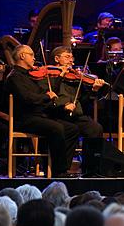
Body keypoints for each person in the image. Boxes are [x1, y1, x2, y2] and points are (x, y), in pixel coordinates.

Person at [5, 44, 86, 177]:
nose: (34, 58)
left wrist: (59, 79)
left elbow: (48, 92)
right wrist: (46, 96)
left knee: (72, 129)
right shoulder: (14, 77)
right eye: (31, 55)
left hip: (40, 116)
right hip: (25, 118)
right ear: (22, 56)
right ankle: (58, 171)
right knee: (56, 128)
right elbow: (28, 98)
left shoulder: (30, 76)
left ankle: (63, 167)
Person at [49, 45, 105, 144]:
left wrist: (94, 90)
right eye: (67, 57)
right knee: (70, 129)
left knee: (96, 128)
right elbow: (51, 92)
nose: (71, 60)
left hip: (75, 116)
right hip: (58, 114)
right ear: (56, 59)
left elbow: (84, 101)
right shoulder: (49, 76)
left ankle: (91, 159)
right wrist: (61, 75)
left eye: (72, 57)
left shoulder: (75, 77)